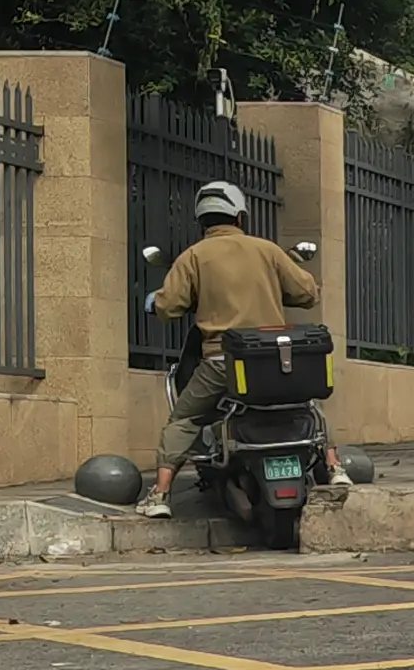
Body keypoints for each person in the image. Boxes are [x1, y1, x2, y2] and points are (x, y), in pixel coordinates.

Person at [140, 181, 334, 515]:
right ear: (240, 217)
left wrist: (154, 302)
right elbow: (307, 293)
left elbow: (169, 306)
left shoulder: (193, 257)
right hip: (274, 360)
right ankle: (335, 466)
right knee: (307, 403)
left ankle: (160, 495)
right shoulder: (268, 251)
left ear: (202, 222)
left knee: (184, 418)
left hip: (222, 362)